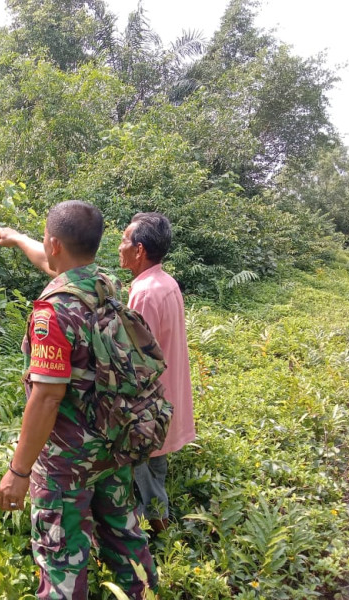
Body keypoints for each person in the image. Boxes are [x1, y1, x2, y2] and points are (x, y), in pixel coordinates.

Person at [0, 201, 157, 600]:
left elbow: (47, 397)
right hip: (113, 441)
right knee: (124, 536)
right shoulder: (102, 283)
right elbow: (52, 265)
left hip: (67, 461)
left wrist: (18, 471)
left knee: (61, 555)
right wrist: (15, 239)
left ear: (55, 243)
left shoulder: (53, 313)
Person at [118, 212, 195, 533]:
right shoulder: (166, 282)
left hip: (149, 407)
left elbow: (138, 359)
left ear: (139, 250)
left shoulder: (145, 293)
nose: (119, 246)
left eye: (124, 240)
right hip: (167, 399)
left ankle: (162, 538)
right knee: (155, 468)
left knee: (145, 477)